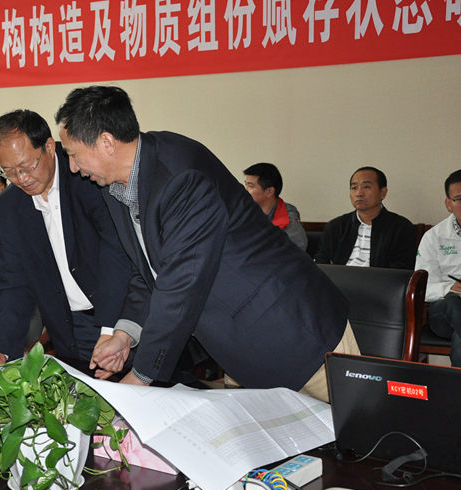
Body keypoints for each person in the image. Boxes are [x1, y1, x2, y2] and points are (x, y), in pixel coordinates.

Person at [55, 85, 358, 401]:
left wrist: (142, 375)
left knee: (354, 423)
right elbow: (147, 270)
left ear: (106, 142)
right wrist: (124, 334)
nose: (73, 168)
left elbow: (181, 283)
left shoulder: (181, 177)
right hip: (240, 347)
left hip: (294, 330)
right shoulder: (116, 187)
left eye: (73, 155)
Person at [0, 109, 131, 375]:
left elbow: (118, 254)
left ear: (49, 147)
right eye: (10, 172)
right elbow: (14, 283)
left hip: (123, 320)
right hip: (69, 329)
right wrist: (0, 348)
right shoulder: (9, 206)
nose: (22, 179)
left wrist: (111, 330)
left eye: (27, 167)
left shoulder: (88, 176)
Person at [314, 167, 415, 269]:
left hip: (378, 279)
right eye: (354, 188)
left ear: (383, 193)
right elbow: (321, 263)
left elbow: (400, 269)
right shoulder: (336, 226)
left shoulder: (401, 228)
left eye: (366, 187)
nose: (359, 193)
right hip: (338, 279)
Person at [416, 169, 461, 367]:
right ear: (448, 204)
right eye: (460, 199)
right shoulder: (433, 237)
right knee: (452, 303)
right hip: (444, 311)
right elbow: (421, 287)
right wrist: (450, 288)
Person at [243, 162, 307, 250]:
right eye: (245, 184)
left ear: (269, 191)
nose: (245, 190)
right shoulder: (244, 211)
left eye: (250, 186)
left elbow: (296, 250)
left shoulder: (288, 218)